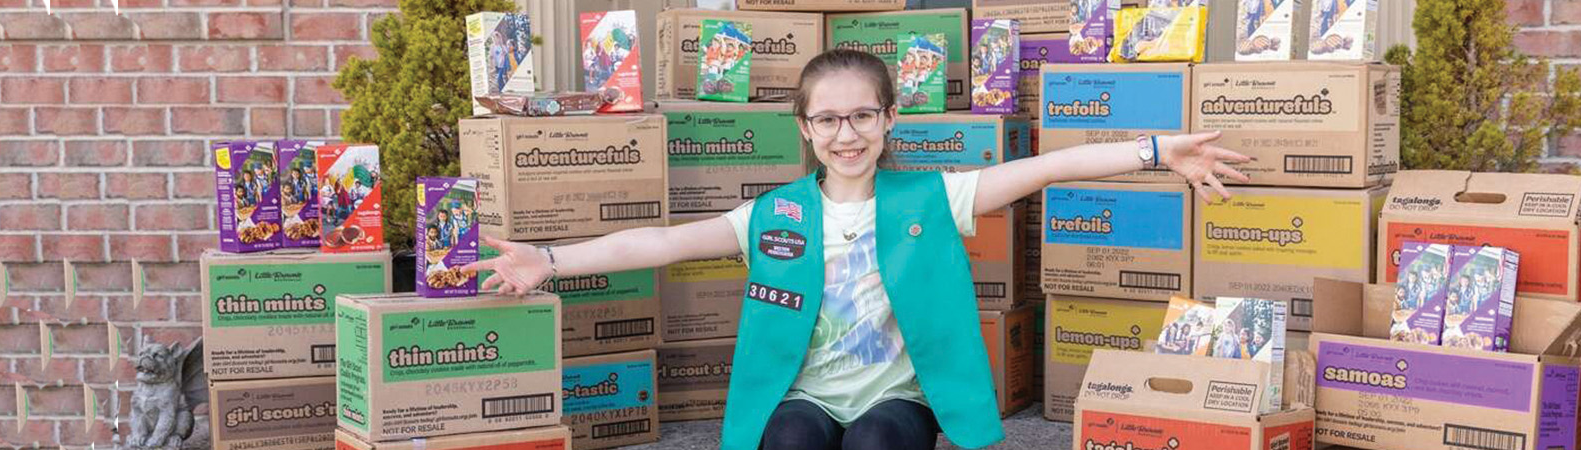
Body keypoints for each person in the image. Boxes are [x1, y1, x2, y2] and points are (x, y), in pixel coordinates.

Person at [460, 49, 1251, 450]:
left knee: (877, 443)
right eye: (829, 120)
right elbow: (662, 241)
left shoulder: (934, 199)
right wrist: (549, 260)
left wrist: (1157, 151)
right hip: (807, 394)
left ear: (889, 120)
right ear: (805, 129)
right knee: (793, 439)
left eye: (863, 117)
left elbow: (1048, 166)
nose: (847, 134)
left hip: (894, 399)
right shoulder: (773, 215)